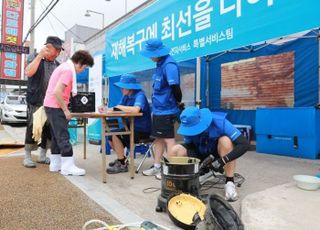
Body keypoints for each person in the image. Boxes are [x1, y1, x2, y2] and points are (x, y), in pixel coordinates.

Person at [170, 106, 249, 201]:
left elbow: (244, 144)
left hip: (218, 154)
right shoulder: (188, 125)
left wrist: (222, 161)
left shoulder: (220, 122)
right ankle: (182, 183)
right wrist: (199, 166)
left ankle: (229, 183)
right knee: (175, 150)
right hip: (200, 151)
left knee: (226, 141)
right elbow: (190, 146)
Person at [43, 50, 94, 176]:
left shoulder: (64, 67)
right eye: (85, 67)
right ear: (80, 63)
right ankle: (68, 166)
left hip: (50, 105)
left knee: (56, 136)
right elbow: (58, 92)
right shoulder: (68, 71)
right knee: (63, 136)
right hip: (56, 106)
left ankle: (55, 164)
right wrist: (65, 110)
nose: (83, 70)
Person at [140, 38, 183, 177]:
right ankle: (157, 166)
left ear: (158, 52)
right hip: (158, 109)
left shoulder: (169, 65)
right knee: (158, 138)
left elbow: (175, 87)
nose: (149, 57)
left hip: (167, 109)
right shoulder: (159, 64)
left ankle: (170, 170)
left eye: (150, 54)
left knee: (169, 139)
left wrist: (178, 102)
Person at [23, 36, 63, 168]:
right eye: (55, 50)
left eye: (59, 51)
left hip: (51, 102)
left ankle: (42, 155)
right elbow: (29, 72)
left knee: (48, 129)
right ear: (47, 47)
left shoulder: (57, 65)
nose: (57, 53)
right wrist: (40, 55)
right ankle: (27, 156)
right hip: (36, 100)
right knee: (33, 127)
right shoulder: (34, 57)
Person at [105, 74, 152, 174]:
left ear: (130, 87)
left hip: (142, 130)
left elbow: (136, 109)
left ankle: (122, 164)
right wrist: (106, 109)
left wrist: (119, 107)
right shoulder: (126, 96)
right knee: (109, 136)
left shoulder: (140, 95)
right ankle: (122, 159)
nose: (121, 89)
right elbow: (118, 107)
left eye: (123, 86)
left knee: (114, 135)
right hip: (130, 127)